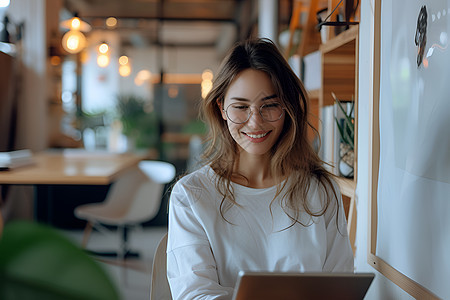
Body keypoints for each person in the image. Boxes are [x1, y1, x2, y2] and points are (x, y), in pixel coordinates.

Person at [166, 38, 354, 299]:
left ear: (287, 107)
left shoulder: (321, 190)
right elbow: (194, 294)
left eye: (270, 105)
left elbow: (339, 285)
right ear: (221, 108)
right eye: (241, 107)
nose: (255, 122)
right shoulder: (191, 195)